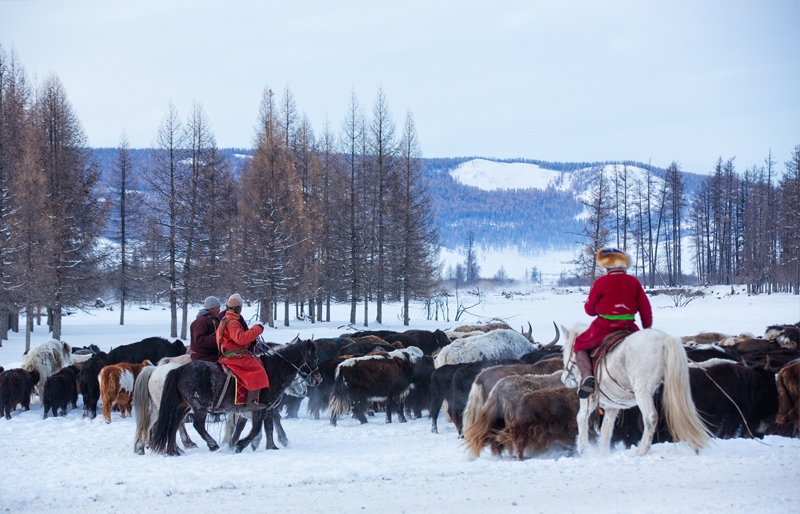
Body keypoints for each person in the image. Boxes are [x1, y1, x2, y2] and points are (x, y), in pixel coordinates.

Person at [574, 248, 652, 399]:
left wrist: (600, 308)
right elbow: (645, 308)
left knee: (578, 344)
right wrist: (647, 329)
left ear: (606, 266)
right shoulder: (634, 282)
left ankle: (587, 377)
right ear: (623, 265)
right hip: (629, 328)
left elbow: (589, 310)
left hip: (604, 328)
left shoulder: (601, 282)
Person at [216, 293, 268, 410]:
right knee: (258, 370)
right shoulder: (232, 322)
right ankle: (251, 401)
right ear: (238, 308)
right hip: (235, 357)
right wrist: (257, 329)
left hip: (229, 354)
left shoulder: (225, 319)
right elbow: (241, 339)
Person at [190, 296, 222, 362]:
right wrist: (219, 339)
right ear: (211, 309)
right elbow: (199, 339)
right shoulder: (201, 321)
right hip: (203, 357)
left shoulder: (212, 319)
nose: (219, 310)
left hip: (212, 355)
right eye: (218, 308)